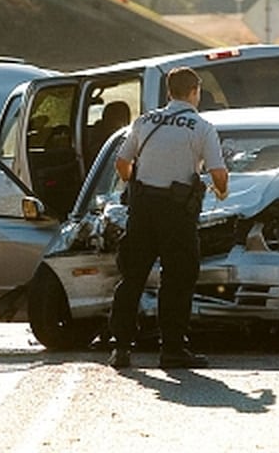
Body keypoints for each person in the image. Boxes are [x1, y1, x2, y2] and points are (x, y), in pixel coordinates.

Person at [108, 66, 228, 369]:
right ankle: (172, 349)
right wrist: (222, 191)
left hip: (143, 208)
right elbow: (219, 173)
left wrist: (133, 185)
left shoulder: (144, 121)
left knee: (132, 277)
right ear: (195, 92)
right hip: (176, 213)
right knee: (177, 279)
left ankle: (121, 349)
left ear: (168, 92)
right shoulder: (202, 127)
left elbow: (122, 162)